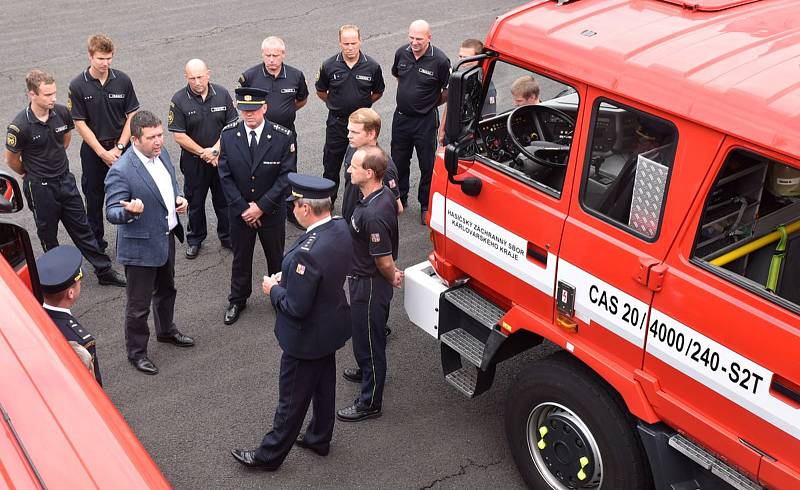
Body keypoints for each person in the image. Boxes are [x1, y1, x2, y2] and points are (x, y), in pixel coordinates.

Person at [231, 173, 352, 471]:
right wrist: (291, 279)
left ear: (306, 209)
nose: (292, 210)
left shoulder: (308, 255)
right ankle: (319, 437)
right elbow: (322, 274)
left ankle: (268, 456)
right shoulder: (339, 227)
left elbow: (295, 307)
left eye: (295, 205)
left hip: (306, 338)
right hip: (330, 327)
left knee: (291, 401)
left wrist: (274, 290)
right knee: (324, 387)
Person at [5, 70, 125, 287]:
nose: (53, 98)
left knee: (83, 229)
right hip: (40, 188)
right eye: (47, 94)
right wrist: (29, 172)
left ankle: (104, 271)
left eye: (54, 93)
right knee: (48, 236)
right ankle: (60, 279)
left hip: (65, 181)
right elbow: (12, 161)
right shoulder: (19, 126)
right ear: (32, 94)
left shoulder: (61, 113)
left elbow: (65, 139)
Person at [104, 110, 195, 375]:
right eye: (152, 137)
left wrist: (178, 198)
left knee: (167, 290)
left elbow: (169, 185)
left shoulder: (161, 154)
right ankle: (137, 353)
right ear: (135, 139)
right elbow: (112, 212)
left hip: (166, 237)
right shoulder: (121, 170)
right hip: (140, 247)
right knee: (138, 305)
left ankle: (166, 331)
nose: (159, 141)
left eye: (160, 135)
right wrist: (130, 211)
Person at [218, 88, 296, 325]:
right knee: (241, 257)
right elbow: (225, 174)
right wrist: (245, 208)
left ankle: (279, 298)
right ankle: (237, 299)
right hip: (240, 213)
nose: (248, 114)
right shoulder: (229, 134)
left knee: (276, 257)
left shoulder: (283, 136)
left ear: (264, 108)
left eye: (253, 109)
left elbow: (286, 176)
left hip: (270, 211)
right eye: (244, 110)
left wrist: (260, 207)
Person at [337, 146, 403, 423]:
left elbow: (384, 260)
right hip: (365, 278)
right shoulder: (378, 196)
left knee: (369, 342)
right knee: (365, 338)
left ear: (369, 173)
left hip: (370, 284)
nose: (348, 170)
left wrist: (392, 276)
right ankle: (368, 372)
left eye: (353, 167)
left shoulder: (372, 213)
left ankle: (370, 401)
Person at [68, 34, 139, 251]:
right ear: (90, 56)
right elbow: (79, 123)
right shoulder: (78, 85)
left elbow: (132, 115)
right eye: (100, 58)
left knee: (128, 195)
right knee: (94, 198)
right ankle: (97, 245)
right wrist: (102, 153)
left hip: (122, 148)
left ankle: (130, 241)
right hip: (93, 151)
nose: (105, 63)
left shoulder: (123, 80)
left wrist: (118, 147)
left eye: (109, 58)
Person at [168, 59, 238, 259]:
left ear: (208, 74)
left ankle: (227, 236)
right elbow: (179, 135)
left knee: (224, 200)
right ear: (186, 77)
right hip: (194, 162)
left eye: (200, 77)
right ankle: (195, 239)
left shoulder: (222, 94)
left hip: (220, 160)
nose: (197, 82)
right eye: (192, 78)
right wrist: (203, 153)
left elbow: (231, 126)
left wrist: (215, 150)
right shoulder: (179, 100)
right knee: (195, 202)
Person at [238, 36, 308, 229]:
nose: (271, 60)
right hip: (258, 135)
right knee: (258, 172)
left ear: (283, 54)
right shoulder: (250, 76)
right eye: (267, 55)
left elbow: (301, 100)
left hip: (286, 135)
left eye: (275, 55)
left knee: (289, 173)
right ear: (262, 54)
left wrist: (285, 111)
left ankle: (290, 211)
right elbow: (243, 103)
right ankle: (257, 207)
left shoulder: (296, 75)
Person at [315, 24, 385, 205]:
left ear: (360, 41)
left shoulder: (372, 66)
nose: (350, 47)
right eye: (346, 43)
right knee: (331, 165)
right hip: (337, 124)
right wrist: (336, 104)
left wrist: (362, 109)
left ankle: (360, 203)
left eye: (353, 42)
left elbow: (377, 92)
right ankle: (327, 204)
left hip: (363, 127)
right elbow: (321, 91)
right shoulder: (329, 65)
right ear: (340, 43)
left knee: (363, 166)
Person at [390, 20, 450, 224]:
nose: (414, 42)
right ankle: (400, 197)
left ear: (429, 38)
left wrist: (428, 103)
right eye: (411, 37)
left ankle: (425, 205)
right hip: (401, 118)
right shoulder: (401, 53)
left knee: (426, 164)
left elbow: (446, 91)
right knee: (398, 161)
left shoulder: (440, 60)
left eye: (419, 39)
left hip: (425, 121)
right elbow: (399, 76)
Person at [37, 245, 103, 385]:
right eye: (78, 283)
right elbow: (93, 386)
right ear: (70, 294)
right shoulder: (80, 339)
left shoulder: (30, 312)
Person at [438, 38, 497, 145]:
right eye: (460, 57)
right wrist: (442, 131)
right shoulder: (458, 77)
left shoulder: (486, 86)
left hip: (469, 141)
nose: (461, 62)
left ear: (478, 59)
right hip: (451, 136)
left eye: (466, 58)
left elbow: (488, 121)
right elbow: (450, 104)